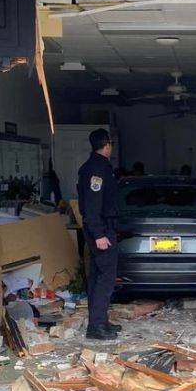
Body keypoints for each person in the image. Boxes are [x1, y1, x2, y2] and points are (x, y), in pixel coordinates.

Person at [77, 129, 122, 342]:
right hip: (101, 230)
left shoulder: (97, 166)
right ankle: (96, 326)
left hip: (101, 229)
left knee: (97, 276)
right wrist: (99, 234)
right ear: (107, 145)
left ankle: (100, 321)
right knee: (106, 278)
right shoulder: (96, 169)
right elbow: (93, 205)